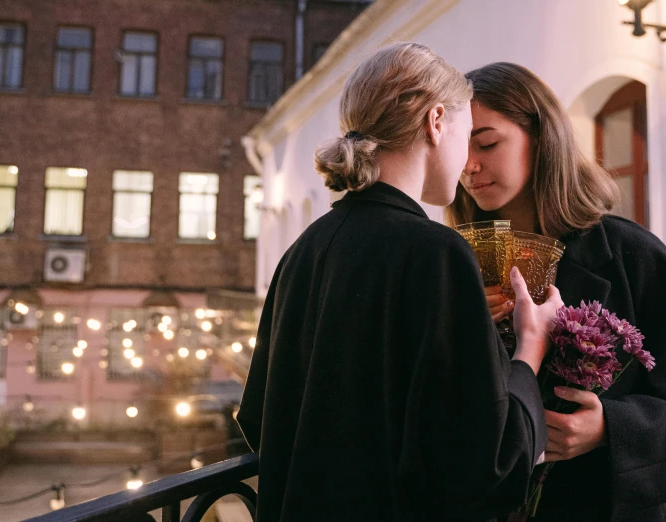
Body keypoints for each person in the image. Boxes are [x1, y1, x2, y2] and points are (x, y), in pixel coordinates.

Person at [237, 44, 563, 522]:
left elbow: (258, 418)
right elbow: (488, 467)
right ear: (436, 122)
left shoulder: (301, 252)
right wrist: (531, 347)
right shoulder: (436, 254)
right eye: (467, 135)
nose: (468, 161)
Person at [446, 61, 666, 522]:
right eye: (457, 149)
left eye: (486, 143)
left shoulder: (631, 255)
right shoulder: (454, 264)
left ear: (541, 137)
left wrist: (609, 429)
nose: (470, 166)